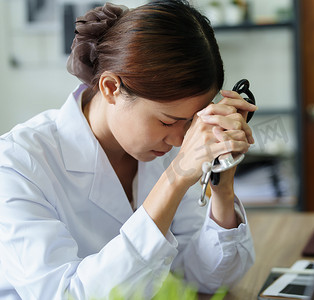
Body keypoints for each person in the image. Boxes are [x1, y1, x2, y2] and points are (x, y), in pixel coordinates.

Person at [0, 1, 257, 299]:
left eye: (190, 123)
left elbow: (203, 279)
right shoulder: (17, 163)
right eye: (167, 121)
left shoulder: (164, 147)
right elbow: (67, 294)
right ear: (111, 88)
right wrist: (174, 179)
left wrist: (222, 187)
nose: (178, 140)